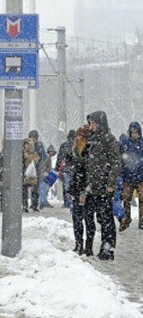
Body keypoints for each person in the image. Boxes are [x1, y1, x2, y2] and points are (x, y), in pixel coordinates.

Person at [83, 111, 121, 260]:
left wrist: (111, 183)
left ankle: (108, 248)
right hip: (92, 188)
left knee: (106, 220)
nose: (90, 125)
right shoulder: (90, 140)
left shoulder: (108, 139)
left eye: (93, 123)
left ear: (99, 123)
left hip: (104, 187)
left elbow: (115, 163)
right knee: (91, 218)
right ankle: (90, 246)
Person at [69, 126, 95, 255]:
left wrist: (84, 192)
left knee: (88, 219)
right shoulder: (75, 152)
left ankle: (88, 247)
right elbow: (74, 174)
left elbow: (89, 175)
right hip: (77, 190)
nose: (77, 139)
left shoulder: (89, 153)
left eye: (80, 136)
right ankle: (78, 244)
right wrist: (70, 190)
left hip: (86, 192)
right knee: (77, 219)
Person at [119, 122, 143, 231]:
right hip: (128, 177)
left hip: (141, 177)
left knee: (142, 200)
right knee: (126, 199)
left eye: (136, 133)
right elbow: (120, 159)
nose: (134, 135)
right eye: (132, 132)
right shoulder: (125, 143)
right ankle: (127, 219)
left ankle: (142, 220)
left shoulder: (142, 143)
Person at [57, 130, 76, 209]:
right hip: (74, 168)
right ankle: (72, 201)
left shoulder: (64, 145)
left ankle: (67, 202)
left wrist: (58, 167)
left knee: (66, 185)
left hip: (65, 168)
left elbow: (60, 157)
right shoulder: (75, 145)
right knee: (73, 184)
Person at [28, 130, 46, 210]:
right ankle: (34, 204)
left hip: (29, 168)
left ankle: (31, 204)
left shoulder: (27, 144)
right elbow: (43, 156)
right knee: (35, 187)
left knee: (30, 187)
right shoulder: (39, 145)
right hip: (36, 168)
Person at [22, 138, 41, 212]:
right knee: (24, 191)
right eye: (25, 144)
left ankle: (34, 205)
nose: (26, 146)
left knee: (35, 190)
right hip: (24, 174)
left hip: (32, 174)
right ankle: (24, 205)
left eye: (27, 144)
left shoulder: (34, 154)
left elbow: (36, 162)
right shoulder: (21, 153)